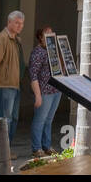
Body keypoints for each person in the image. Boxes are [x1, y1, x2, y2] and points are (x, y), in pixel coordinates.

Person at [0, 10, 25, 143]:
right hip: (5, 84)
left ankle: (7, 149)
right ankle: (2, 149)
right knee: (5, 119)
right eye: (17, 23)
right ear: (9, 22)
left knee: (13, 118)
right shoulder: (2, 38)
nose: (20, 26)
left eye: (22, 23)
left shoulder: (16, 40)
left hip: (15, 84)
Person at [28, 26, 62, 157]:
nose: (50, 35)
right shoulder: (37, 52)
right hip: (44, 92)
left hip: (55, 90)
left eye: (52, 33)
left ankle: (46, 146)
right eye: (47, 34)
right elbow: (33, 75)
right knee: (40, 120)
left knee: (49, 120)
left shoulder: (52, 51)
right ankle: (36, 148)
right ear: (41, 37)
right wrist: (37, 95)